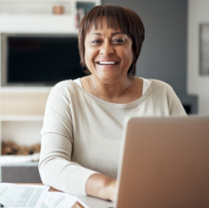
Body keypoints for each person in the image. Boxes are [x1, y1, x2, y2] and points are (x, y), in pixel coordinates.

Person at [38, 4, 187, 202]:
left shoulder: (162, 93)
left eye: (118, 40)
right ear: (84, 48)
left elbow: (187, 162)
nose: (106, 50)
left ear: (135, 47)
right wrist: (111, 188)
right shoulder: (66, 94)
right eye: (96, 41)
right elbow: (51, 164)